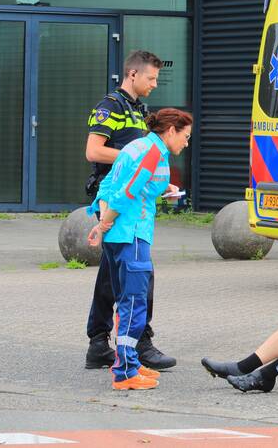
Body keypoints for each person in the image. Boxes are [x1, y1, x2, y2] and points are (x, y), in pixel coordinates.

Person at [83, 50, 177, 371]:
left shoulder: (140, 111)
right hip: (113, 199)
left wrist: (157, 183)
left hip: (132, 199)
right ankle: (139, 342)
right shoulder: (111, 107)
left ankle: (99, 341)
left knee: (113, 272)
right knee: (138, 271)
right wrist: (131, 157)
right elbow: (93, 150)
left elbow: (145, 158)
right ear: (132, 75)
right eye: (151, 78)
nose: (154, 84)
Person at [87, 108, 193, 390]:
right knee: (134, 303)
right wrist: (104, 224)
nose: (186, 142)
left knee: (126, 302)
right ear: (171, 131)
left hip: (120, 236)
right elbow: (128, 192)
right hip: (132, 233)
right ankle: (125, 373)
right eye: (185, 136)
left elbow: (110, 184)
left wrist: (101, 218)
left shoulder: (138, 146)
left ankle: (130, 364)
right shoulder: (153, 153)